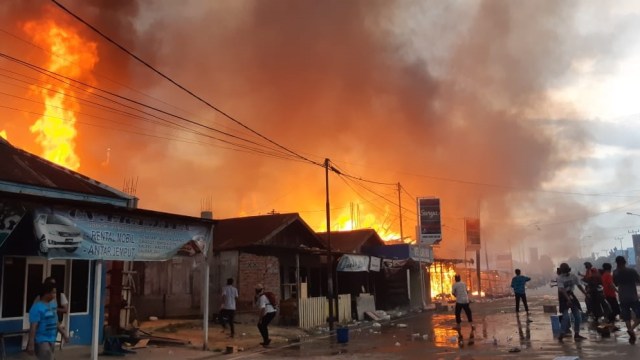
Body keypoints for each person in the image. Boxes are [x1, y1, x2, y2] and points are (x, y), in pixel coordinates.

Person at [27, 282, 68, 359]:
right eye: (54, 292)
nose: (55, 295)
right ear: (47, 293)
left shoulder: (53, 305)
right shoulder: (37, 308)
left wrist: (63, 333)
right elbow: (33, 326)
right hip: (41, 340)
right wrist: (31, 343)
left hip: (52, 339)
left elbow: (55, 321)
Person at [612, 255, 640, 344]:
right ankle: (631, 329)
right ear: (625, 262)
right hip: (633, 297)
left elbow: (615, 284)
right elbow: (639, 281)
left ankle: (631, 336)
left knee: (627, 317)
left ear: (617, 263)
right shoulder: (632, 271)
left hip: (622, 297)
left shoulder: (615, 272)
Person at [556, 262, 587, 342]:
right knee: (565, 317)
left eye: (566, 271)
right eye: (564, 271)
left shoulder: (573, 276)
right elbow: (562, 290)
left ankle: (577, 334)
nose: (565, 273)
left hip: (571, 295)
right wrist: (568, 300)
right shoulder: (559, 278)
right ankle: (561, 334)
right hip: (563, 296)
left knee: (577, 316)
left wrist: (585, 293)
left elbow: (579, 285)